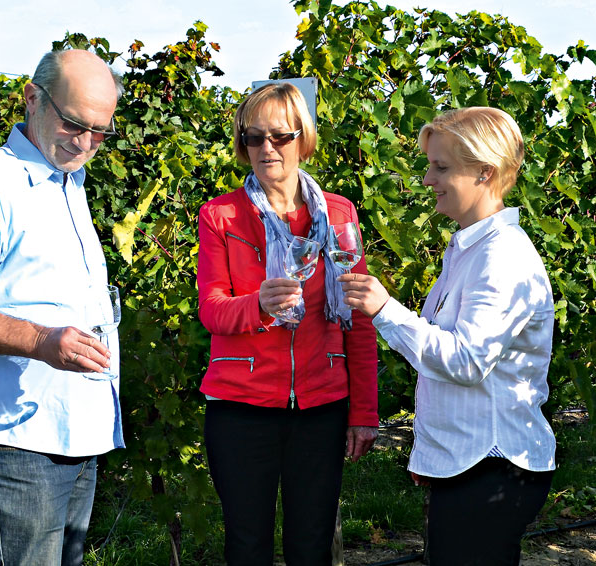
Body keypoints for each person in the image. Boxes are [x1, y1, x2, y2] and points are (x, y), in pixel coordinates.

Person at [0, 49, 125, 566]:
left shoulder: (68, 185)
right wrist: (42, 341)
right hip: (16, 437)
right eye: (75, 123)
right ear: (33, 98)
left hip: (78, 427)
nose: (86, 143)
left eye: (101, 131)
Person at [340, 106, 556, 565]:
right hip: (467, 463)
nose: (425, 179)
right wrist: (436, 458)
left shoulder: (502, 258)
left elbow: (465, 361)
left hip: (492, 467)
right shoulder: (468, 250)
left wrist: (384, 310)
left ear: (484, 173)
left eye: (441, 167)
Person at [197, 82, 379, 566]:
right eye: (253, 137)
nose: (266, 148)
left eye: (280, 135)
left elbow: (357, 319)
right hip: (241, 407)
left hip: (321, 406)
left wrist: (363, 412)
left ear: (304, 139)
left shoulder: (338, 214)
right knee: (247, 545)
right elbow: (212, 309)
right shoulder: (221, 215)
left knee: (311, 546)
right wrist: (257, 304)